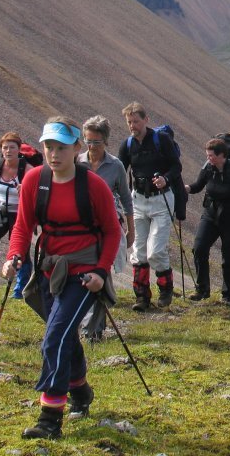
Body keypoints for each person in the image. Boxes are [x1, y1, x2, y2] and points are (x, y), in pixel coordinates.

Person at [1, 116, 121, 440]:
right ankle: (81, 391)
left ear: (77, 148)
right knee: (65, 335)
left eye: (62, 148)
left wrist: (101, 272)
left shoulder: (93, 185)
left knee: (54, 337)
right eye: (49, 147)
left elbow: (112, 232)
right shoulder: (34, 180)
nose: (54, 154)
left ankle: (50, 418)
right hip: (49, 271)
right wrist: (14, 256)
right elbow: (23, 226)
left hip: (84, 274)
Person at [117, 102, 181, 311]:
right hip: (138, 200)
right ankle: (142, 297)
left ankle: (165, 289)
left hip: (161, 199)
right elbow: (120, 171)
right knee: (139, 250)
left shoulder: (161, 140)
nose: (132, 126)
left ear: (146, 120)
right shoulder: (127, 145)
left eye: (136, 121)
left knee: (156, 251)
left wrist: (166, 179)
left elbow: (176, 166)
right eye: (129, 122)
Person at [77, 116, 135, 340]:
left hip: (107, 226)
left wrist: (131, 231)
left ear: (106, 141)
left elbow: (126, 199)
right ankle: (87, 324)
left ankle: (94, 329)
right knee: (84, 271)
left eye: (97, 142)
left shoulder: (115, 166)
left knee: (101, 272)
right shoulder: (77, 163)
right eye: (88, 141)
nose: (92, 147)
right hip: (81, 227)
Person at [185, 138, 230, 306]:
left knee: (229, 258)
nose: (208, 158)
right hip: (210, 215)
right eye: (207, 155)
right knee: (199, 249)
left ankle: (228, 297)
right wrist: (187, 188)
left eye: (211, 156)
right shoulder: (208, 169)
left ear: (222, 155)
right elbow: (198, 185)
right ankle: (202, 290)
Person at [0, 132, 36, 299]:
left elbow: (37, 195)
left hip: (20, 214)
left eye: (12, 147)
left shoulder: (27, 170)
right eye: (5, 147)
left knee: (21, 251)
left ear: (19, 150)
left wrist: (25, 190)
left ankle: (21, 290)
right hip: (0, 212)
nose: (8, 151)